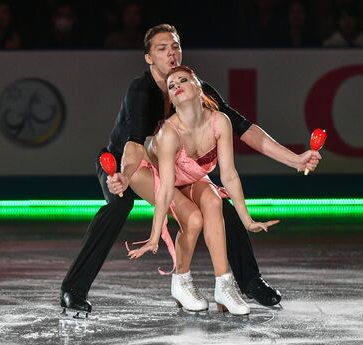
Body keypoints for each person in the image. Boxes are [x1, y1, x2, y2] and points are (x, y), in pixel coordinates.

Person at [60, 24, 321, 316]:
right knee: (119, 206)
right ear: (149, 58)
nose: (171, 53)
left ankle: (248, 282)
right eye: (162, 48)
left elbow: (244, 129)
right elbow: (133, 145)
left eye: (175, 46)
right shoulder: (141, 91)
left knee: (218, 203)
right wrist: (121, 176)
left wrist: (296, 160)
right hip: (125, 164)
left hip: (174, 166)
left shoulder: (197, 88)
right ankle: (74, 288)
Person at [120, 65, 279, 315]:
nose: (176, 86)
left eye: (183, 80)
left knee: (215, 202)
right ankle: (181, 282)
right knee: (193, 219)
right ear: (171, 98)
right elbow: (165, 191)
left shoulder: (220, 121)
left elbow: (229, 175)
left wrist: (247, 220)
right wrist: (153, 236)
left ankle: (224, 286)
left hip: (187, 173)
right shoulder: (169, 133)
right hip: (150, 173)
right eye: (171, 86)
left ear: (198, 86)